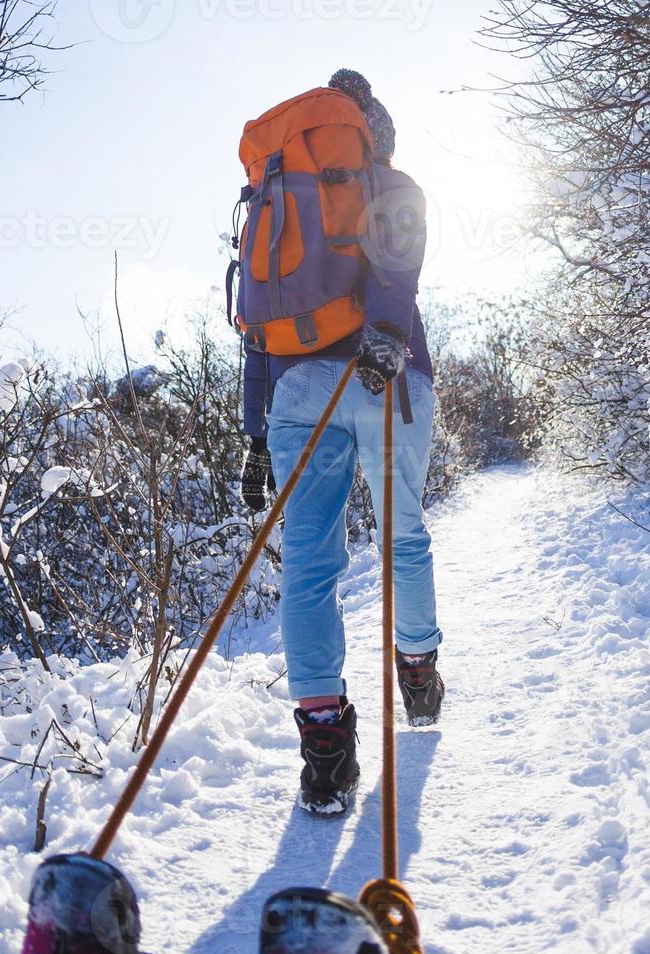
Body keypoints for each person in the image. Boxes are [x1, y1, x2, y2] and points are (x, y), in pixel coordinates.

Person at [239, 69, 445, 816]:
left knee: (310, 565)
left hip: (296, 393)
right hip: (386, 377)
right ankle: (417, 671)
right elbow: (400, 267)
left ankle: (324, 749)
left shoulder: (275, 202)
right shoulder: (391, 183)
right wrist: (386, 336)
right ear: (375, 136)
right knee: (403, 539)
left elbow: (258, 325)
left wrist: (254, 433)